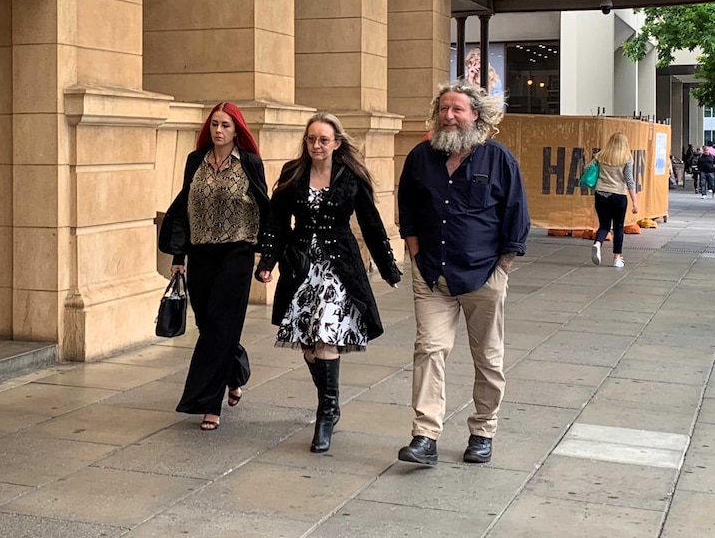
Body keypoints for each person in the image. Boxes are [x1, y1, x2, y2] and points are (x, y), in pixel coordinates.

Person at [396, 81, 530, 465]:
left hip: (483, 275)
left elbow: (516, 219)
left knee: (487, 357)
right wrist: (416, 252)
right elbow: (408, 211)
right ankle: (425, 435)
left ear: (476, 115)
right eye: (443, 109)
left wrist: (501, 269)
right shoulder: (421, 157)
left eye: (457, 110)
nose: (449, 116)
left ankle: (483, 431)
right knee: (429, 350)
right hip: (432, 276)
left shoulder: (499, 159)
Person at [256, 112, 402, 453]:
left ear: (337, 142)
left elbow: (371, 223)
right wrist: (267, 261)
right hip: (302, 267)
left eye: (323, 139)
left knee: (325, 336)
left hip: (339, 268)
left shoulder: (351, 176)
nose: (317, 145)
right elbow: (276, 222)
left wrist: (388, 267)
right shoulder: (293, 173)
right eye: (311, 139)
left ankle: (325, 413)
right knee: (308, 346)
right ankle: (330, 402)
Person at [158, 102, 270, 431]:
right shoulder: (196, 161)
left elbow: (264, 207)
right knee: (209, 325)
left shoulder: (250, 162)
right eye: (214, 125)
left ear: (237, 131)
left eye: (225, 125)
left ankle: (209, 403)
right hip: (201, 253)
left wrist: (267, 257)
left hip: (237, 252)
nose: (218, 131)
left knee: (222, 324)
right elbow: (184, 208)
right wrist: (178, 258)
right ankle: (235, 373)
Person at [589, 132, 639, 268]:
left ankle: (597, 244)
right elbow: (629, 180)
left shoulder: (600, 156)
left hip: (601, 193)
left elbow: (588, 168)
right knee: (618, 227)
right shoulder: (627, 158)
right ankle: (617, 258)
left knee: (604, 225)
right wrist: (635, 201)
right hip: (618, 195)